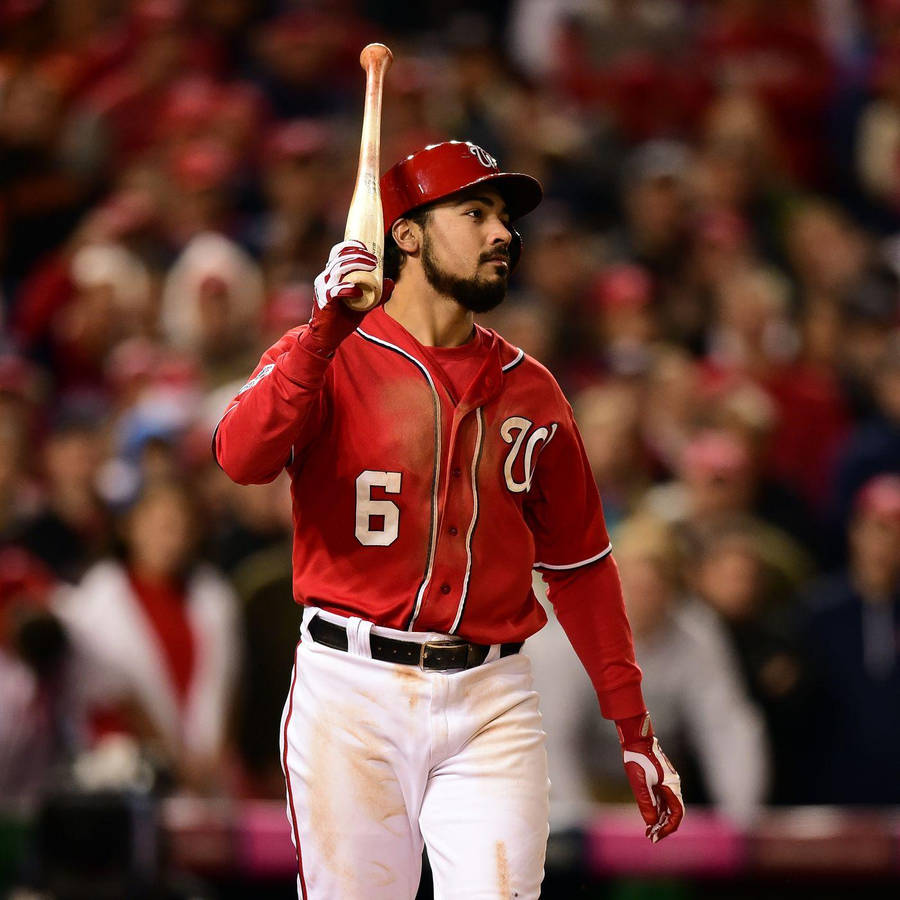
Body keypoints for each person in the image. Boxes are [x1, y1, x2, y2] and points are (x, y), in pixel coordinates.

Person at [214, 140, 683, 899]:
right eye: (476, 213)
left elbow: (581, 567)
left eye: (505, 218)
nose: (503, 233)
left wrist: (633, 725)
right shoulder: (329, 352)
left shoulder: (533, 390)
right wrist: (317, 336)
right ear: (407, 233)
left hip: (491, 699)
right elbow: (239, 456)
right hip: (350, 690)